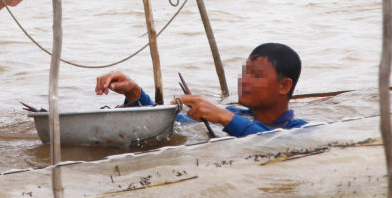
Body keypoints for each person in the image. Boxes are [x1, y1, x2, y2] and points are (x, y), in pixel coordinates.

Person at [95, 42, 307, 138]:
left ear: (284, 85)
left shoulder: (300, 130)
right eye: (245, 73)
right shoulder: (238, 114)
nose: (244, 81)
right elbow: (166, 127)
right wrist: (134, 93)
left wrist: (223, 116)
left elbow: (275, 141)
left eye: (256, 75)